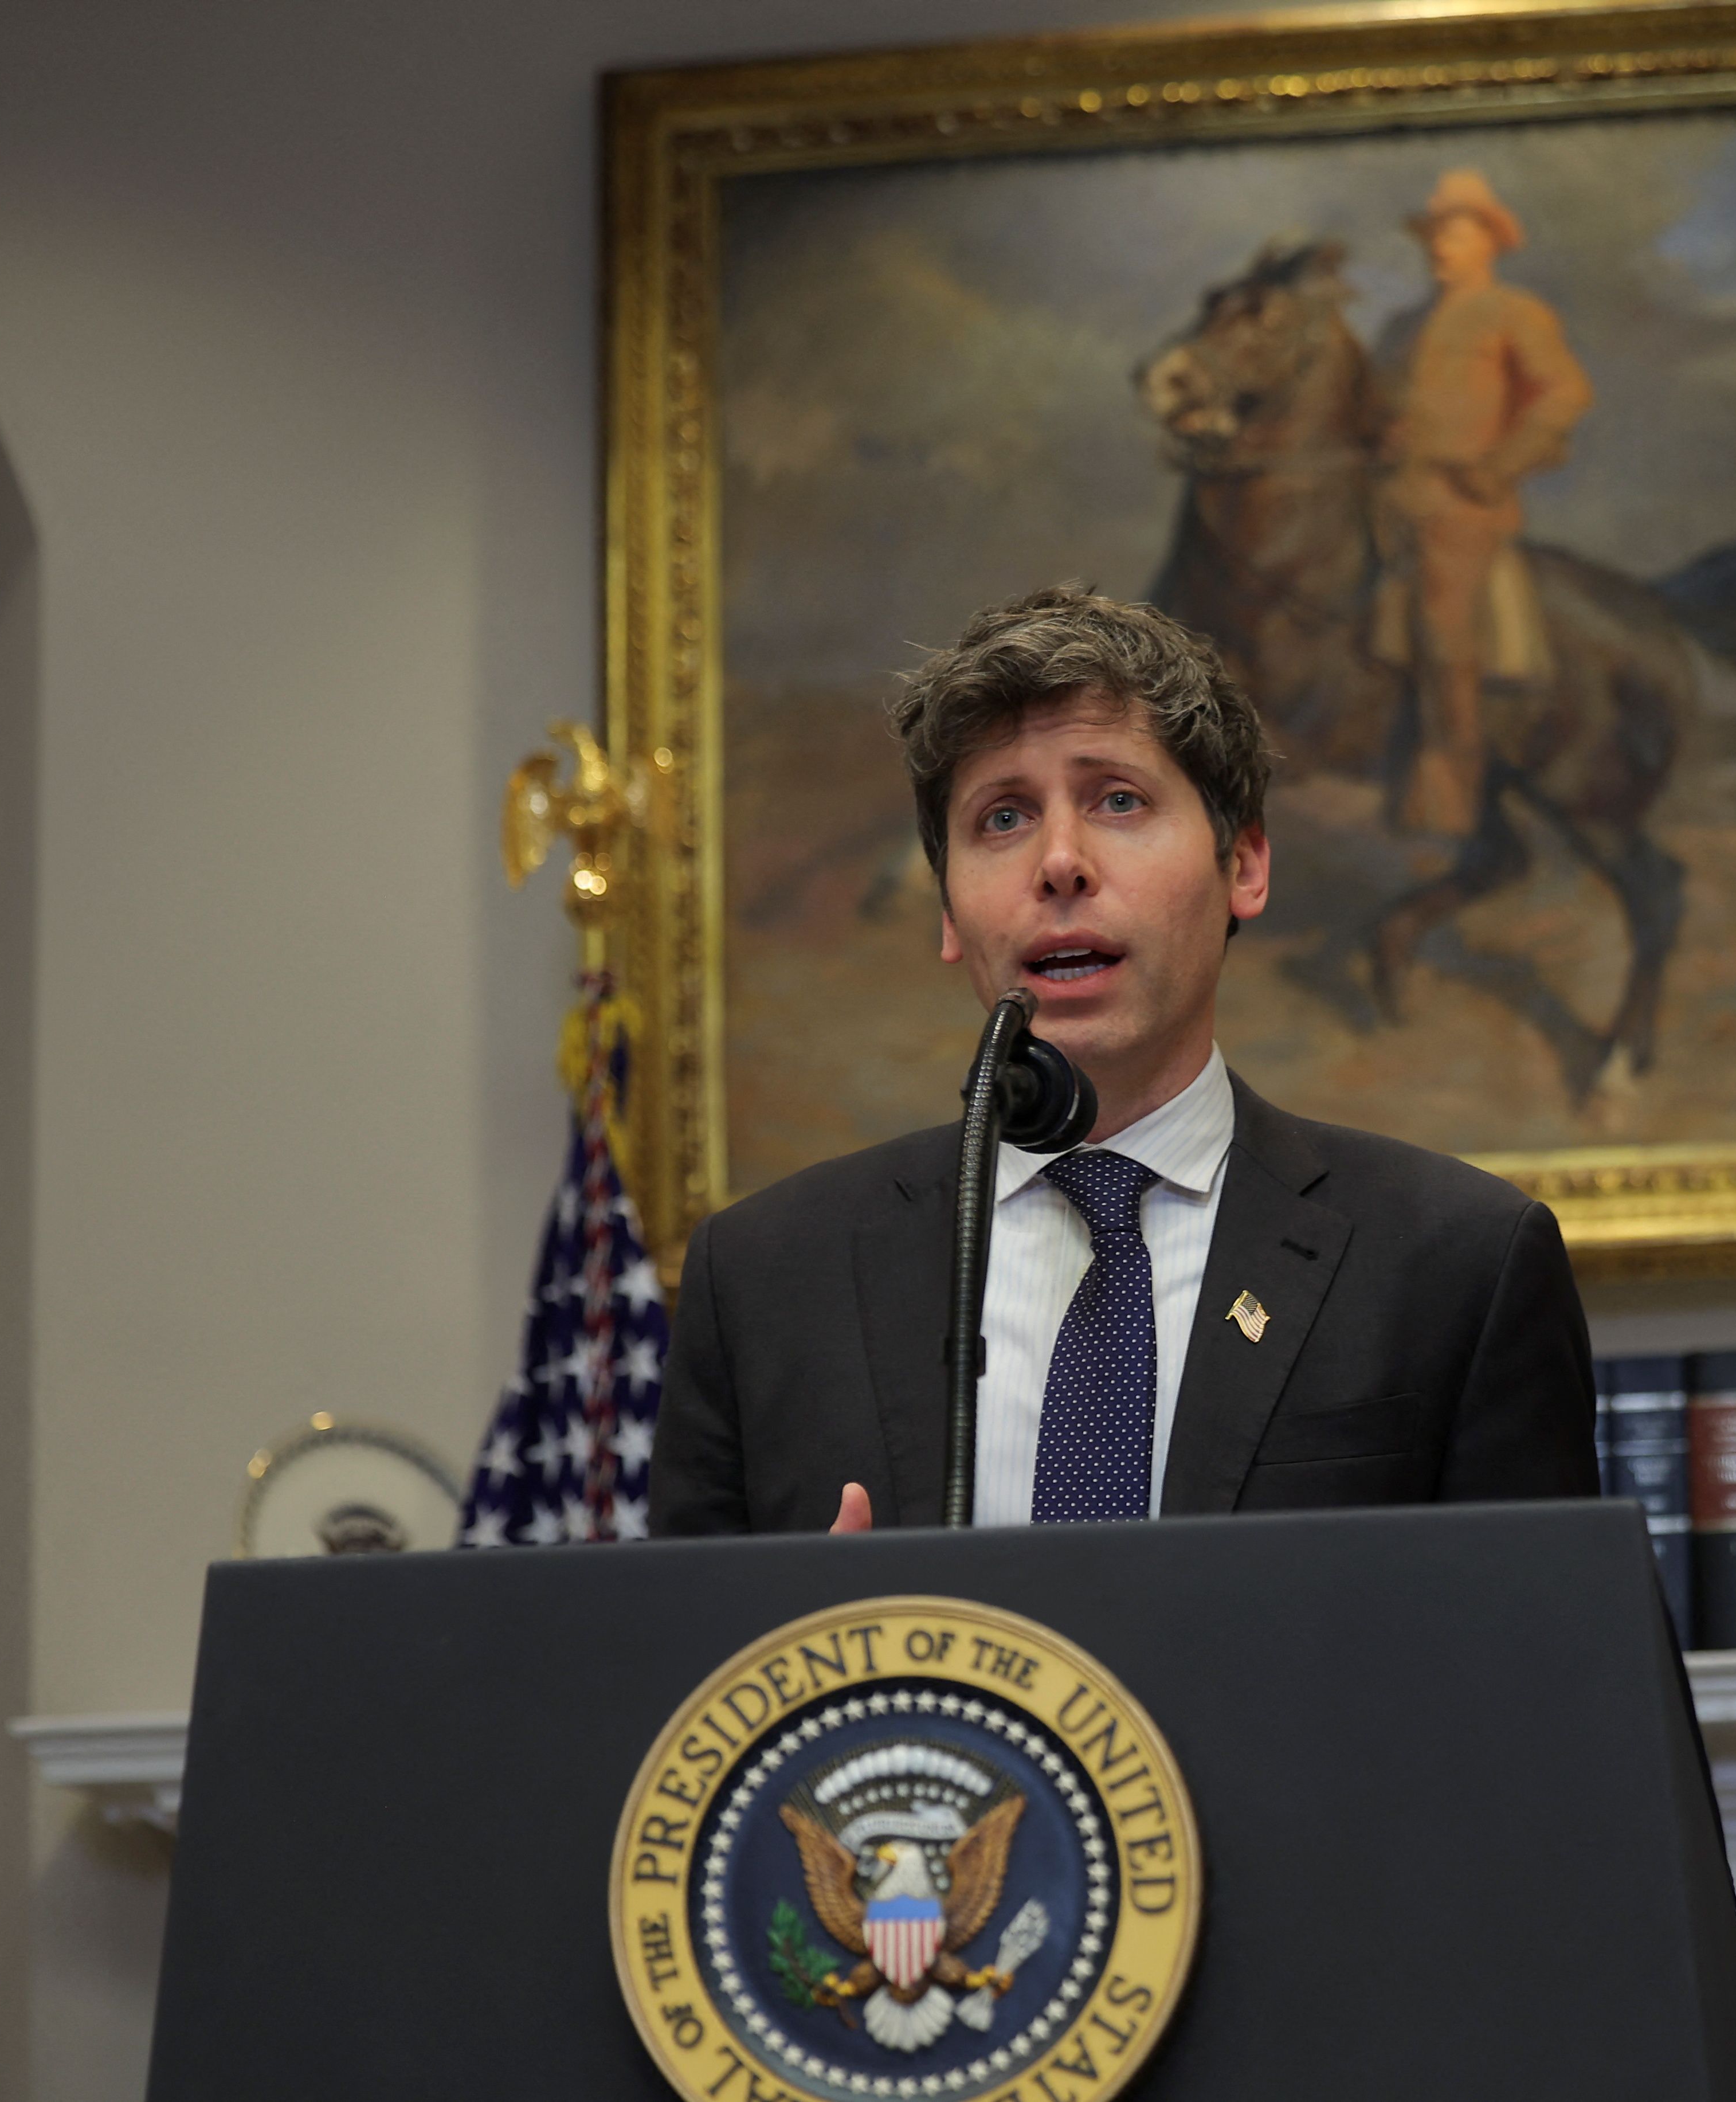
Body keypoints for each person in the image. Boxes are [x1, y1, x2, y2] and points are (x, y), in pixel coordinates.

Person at [648, 584, 1598, 1536]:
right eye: (1003, 819)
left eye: (1118, 799)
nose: (1060, 862)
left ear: (1246, 865)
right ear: (949, 913)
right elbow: (681, 1674)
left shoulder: (1457, 1265)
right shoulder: (766, 1281)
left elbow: (1546, 1670)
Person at [1371, 167, 1593, 837]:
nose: (1442, 248)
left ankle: (1451, 789)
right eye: (1436, 235)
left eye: (1457, 235)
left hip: (1462, 505)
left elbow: (1564, 393)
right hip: (1387, 500)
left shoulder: (1513, 313)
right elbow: (1382, 404)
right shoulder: (1404, 327)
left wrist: (1501, 465)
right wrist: (1385, 430)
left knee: (1444, 628)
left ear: (1489, 243)